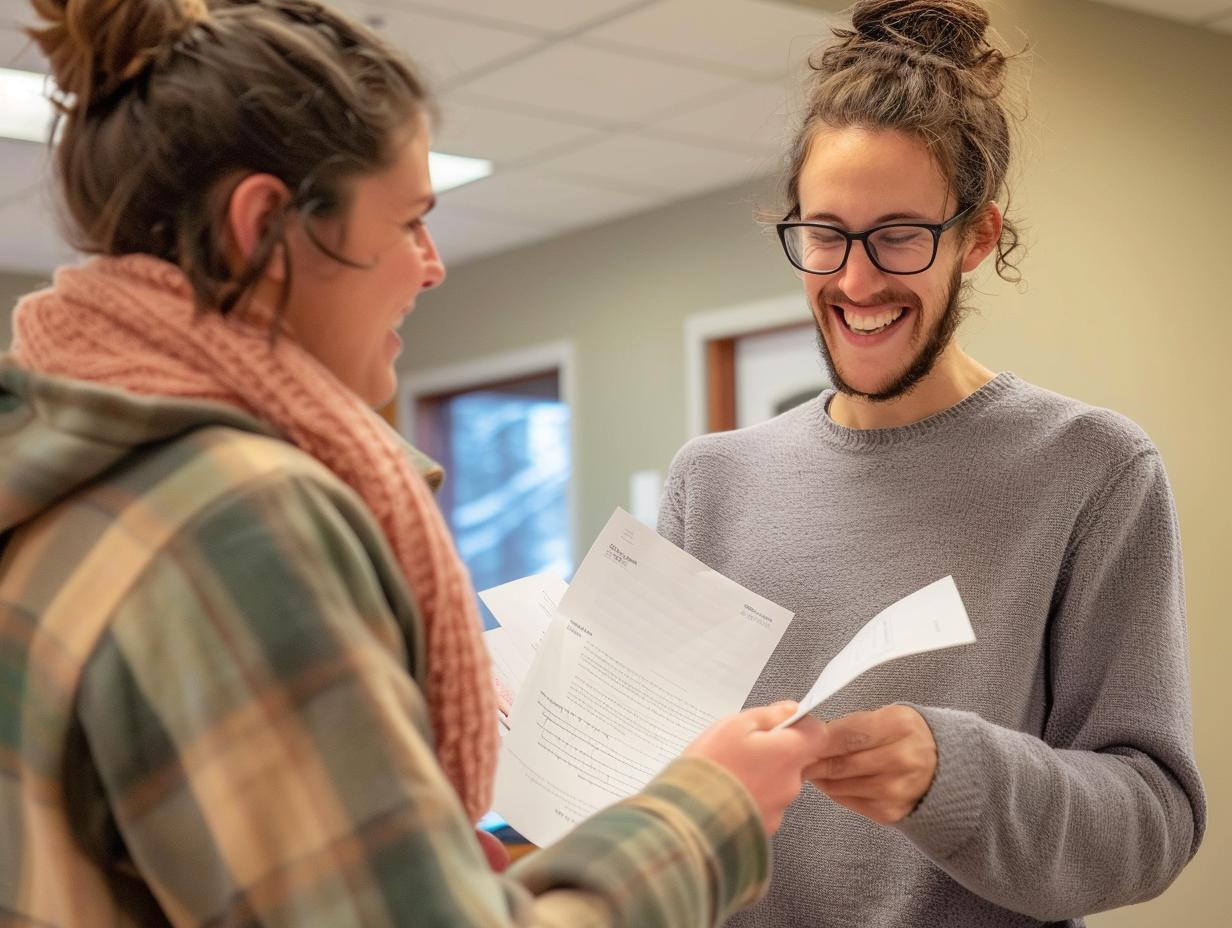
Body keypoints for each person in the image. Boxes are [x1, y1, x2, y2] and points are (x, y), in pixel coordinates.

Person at [0, 0, 833, 925]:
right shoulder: (239, 520)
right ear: (264, 224)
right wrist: (704, 815)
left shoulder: (67, 481)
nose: (432, 267)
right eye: (407, 224)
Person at [658, 1, 1206, 926]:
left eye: (901, 235)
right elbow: (658, 780)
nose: (857, 281)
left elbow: (1152, 823)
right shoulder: (709, 481)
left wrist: (954, 776)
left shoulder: (1093, 469)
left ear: (978, 238)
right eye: (826, 233)